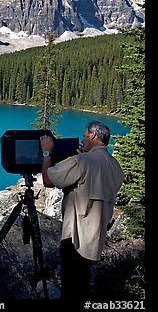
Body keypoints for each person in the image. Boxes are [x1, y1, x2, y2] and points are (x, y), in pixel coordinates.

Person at [40, 120, 124, 301]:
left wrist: (46, 152)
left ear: (93, 135)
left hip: (75, 236)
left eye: (85, 136)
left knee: (70, 288)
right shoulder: (116, 167)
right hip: (95, 238)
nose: (83, 139)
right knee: (81, 286)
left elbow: (48, 180)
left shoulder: (82, 161)